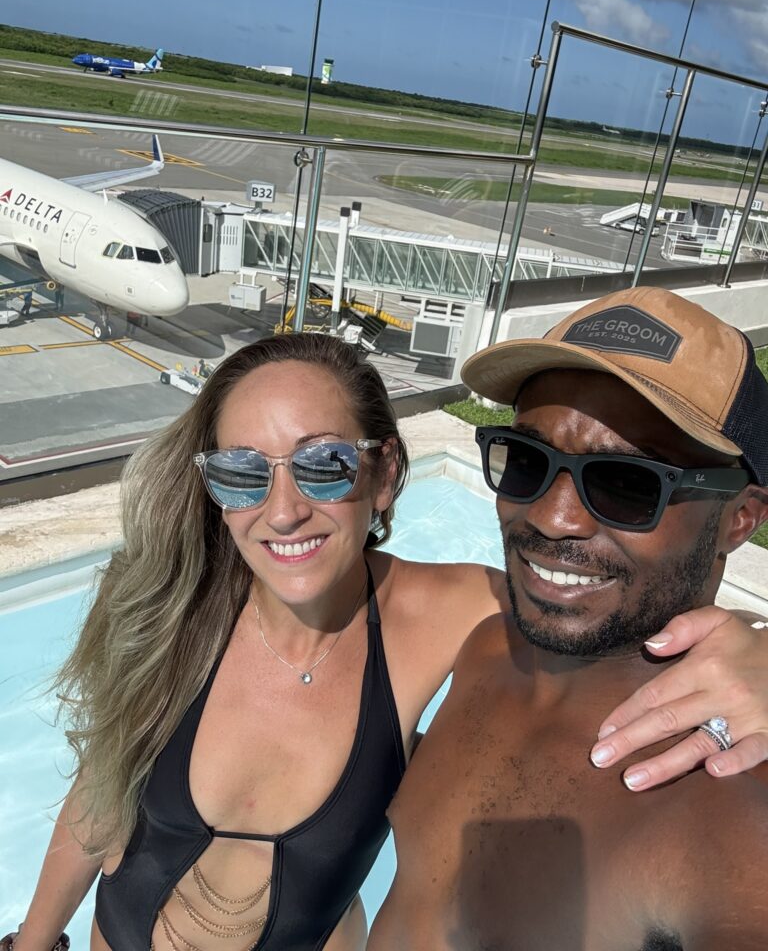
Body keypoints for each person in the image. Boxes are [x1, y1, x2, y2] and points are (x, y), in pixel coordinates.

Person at [11, 329, 768, 951]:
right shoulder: (165, 605)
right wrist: (31, 943)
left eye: (325, 465)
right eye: (242, 473)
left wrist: (759, 653)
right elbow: (98, 793)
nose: (281, 512)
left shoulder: (456, 614)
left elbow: (605, 604)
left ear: (385, 476)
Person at [369, 286, 768, 950]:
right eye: (527, 461)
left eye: (626, 483)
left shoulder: (726, 801)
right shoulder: (487, 646)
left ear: (741, 518)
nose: (552, 518)